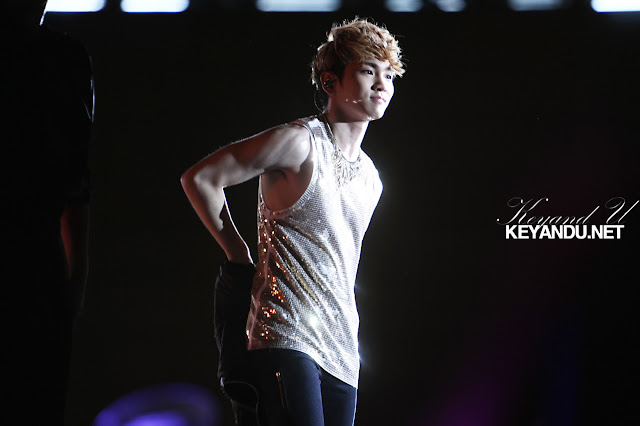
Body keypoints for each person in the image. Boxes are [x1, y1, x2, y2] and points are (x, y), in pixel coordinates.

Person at [181, 18, 404, 426]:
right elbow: (201, 178)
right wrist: (237, 252)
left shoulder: (373, 179)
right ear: (330, 82)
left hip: (342, 346)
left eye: (389, 74)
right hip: (285, 332)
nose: (381, 83)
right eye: (368, 70)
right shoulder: (300, 143)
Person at [1, 1, 93, 424]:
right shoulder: (65, 60)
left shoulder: (65, 60)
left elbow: (77, 184)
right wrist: (76, 278)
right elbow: (78, 184)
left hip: (39, 266)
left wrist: (76, 279)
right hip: (40, 265)